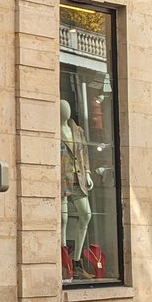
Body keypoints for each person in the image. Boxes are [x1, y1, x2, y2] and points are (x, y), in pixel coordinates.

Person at [60, 98, 93, 277]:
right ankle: (65, 262)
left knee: (86, 215)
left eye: (67, 108)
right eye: (62, 108)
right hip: (62, 179)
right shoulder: (53, 130)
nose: (66, 111)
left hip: (78, 178)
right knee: (63, 221)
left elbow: (84, 153)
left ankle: (77, 260)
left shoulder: (78, 131)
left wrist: (87, 172)